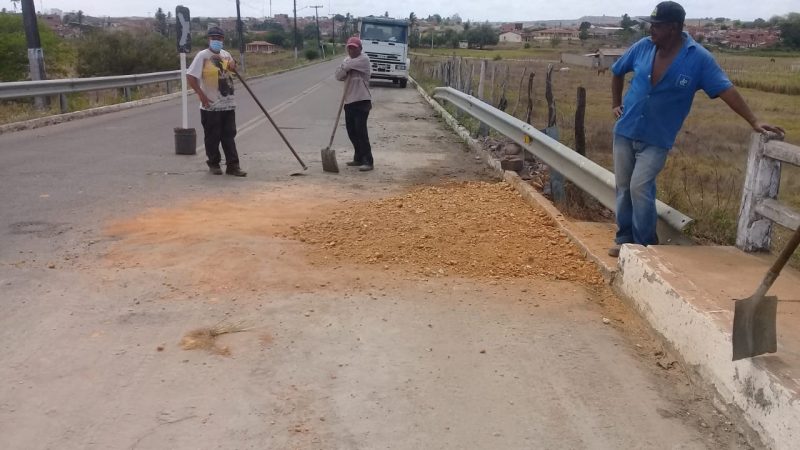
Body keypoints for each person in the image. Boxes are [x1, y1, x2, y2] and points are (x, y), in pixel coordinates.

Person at [607, 1, 783, 257]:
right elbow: (617, 71)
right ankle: (624, 239)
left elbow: (726, 89)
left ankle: (643, 246)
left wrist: (753, 121)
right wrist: (615, 104)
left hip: (657, 138)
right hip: (625, 130)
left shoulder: (698, 58)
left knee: (639, 187)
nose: (651, 30)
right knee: (624, 187)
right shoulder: (643, 47)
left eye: (657, 25)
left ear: (674, 27)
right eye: (651, 25)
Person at [186, 27, 247, 177]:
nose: (216, 40)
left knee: (229, 136)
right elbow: (190, 76)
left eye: (219, 38)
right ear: (209, 39)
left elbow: (232, 71)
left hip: (228, 104)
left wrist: (233, 64)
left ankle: (233, 166)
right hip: (211, 106)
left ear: (223, 39)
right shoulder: (202, 56)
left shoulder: (226, 54)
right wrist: (201, 94)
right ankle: (214, 164)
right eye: (213, 38)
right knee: (213, 137)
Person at [335, 36, 374, 172]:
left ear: (360, 49)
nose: (351, 50)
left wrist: (345, 67)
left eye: (354, 48)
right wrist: (345, 68)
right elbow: (338, 76)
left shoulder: (364, 59)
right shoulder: (348, 60)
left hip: (362, 101)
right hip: (349, 101)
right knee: (351, 132)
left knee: (361, 131)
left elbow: (346, 67)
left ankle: (368, 160)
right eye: (349, 48)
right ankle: (358, 157)